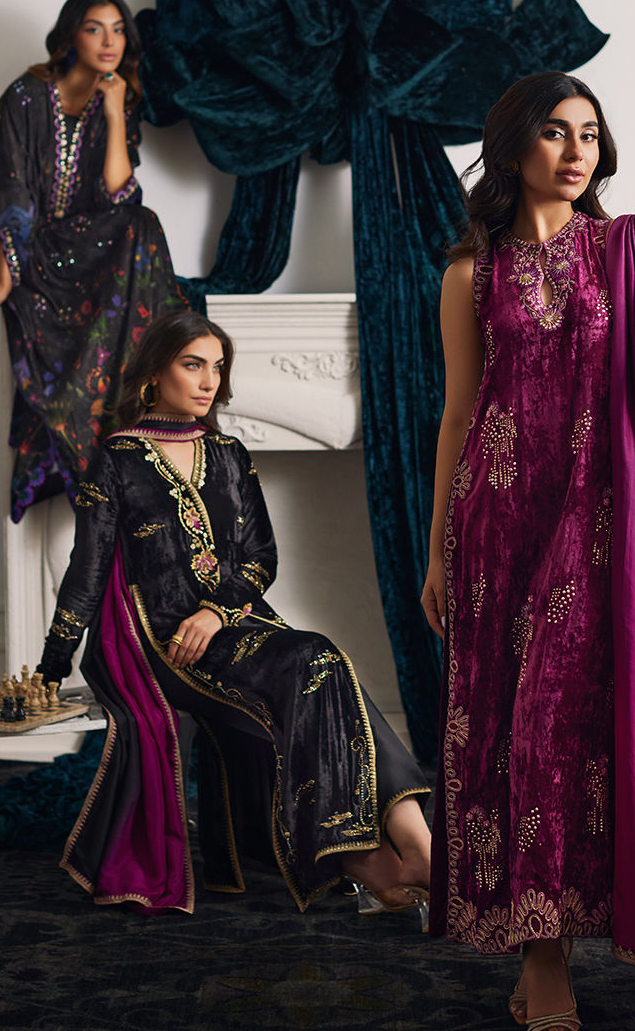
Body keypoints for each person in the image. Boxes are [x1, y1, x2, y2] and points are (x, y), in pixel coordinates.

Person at [421, 71, 635, 1031]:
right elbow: (459, 414)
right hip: (498, 526)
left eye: (589, 133)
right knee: (513, 732)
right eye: (555, 132)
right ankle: (541, 953)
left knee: (578, 725)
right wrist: (438, 547)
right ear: (514, 148)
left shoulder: (626, 247)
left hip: (601, 521)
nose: (576, 150)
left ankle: (623, 932)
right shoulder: (470, 275)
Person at [37, 308, 432, 920]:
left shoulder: (228, 453)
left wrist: (217, 613)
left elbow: (260, 558)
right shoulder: (118, 459)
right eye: (192, 365)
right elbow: (86, 569)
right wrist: (52, 664)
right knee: (317, 658)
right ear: (154, 373)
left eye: (217, 368)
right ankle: (369, 856)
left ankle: (412, 847)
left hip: (234, 626)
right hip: (163, 644)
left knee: (324, 663)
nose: (208, 381)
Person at [0, 0, 185, 522]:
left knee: (141, 221)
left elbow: (119, 197)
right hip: (36, 253)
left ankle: (137, 425)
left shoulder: (118, 100)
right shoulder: (26, 95)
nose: (109, 41)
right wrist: (4, 279)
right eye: (95, 29)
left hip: (89, 250)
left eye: (118, 30)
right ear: (72, 35)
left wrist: (113, 114)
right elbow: (9, 194)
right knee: (139, 226)